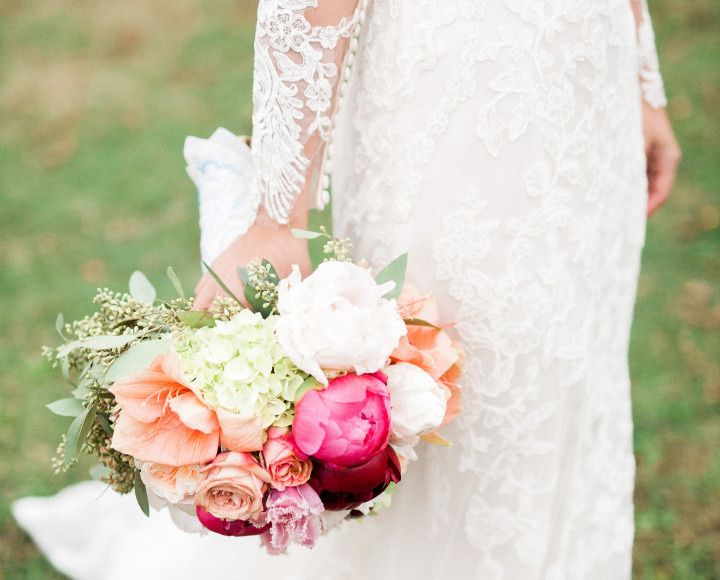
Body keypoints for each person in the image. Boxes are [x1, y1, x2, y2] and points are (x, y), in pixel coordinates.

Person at [14, 1, 680, 578]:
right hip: (460, 99)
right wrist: (279, 216)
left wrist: (640, 77)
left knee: (565, 377)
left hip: (588, 85)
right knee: (461, 380)